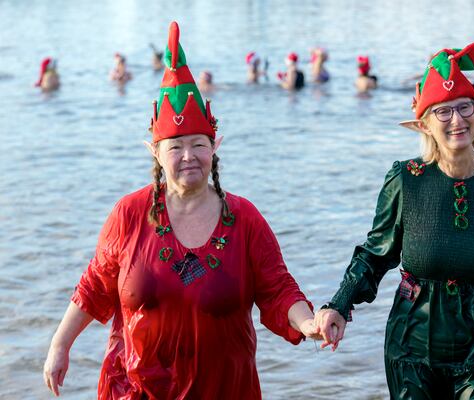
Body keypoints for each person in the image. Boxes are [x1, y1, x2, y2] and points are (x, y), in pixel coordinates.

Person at [43, 21, 320, 399]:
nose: (188, 156)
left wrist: (308, 323)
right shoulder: (129, 213)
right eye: (175, 147)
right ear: (154, 152)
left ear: (215, 146)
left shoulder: (244, 219)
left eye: (198, 144)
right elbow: (96, 285)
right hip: (136, 390)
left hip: (225, 389)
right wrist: (60, 345)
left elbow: (277, 289)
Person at [315, 39, 474, 399]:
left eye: (465, 108)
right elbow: (376, 252)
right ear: (426, 124)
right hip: (413, 344)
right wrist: (339, 303)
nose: (457, 120)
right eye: (443, 112)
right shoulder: (406, 180)